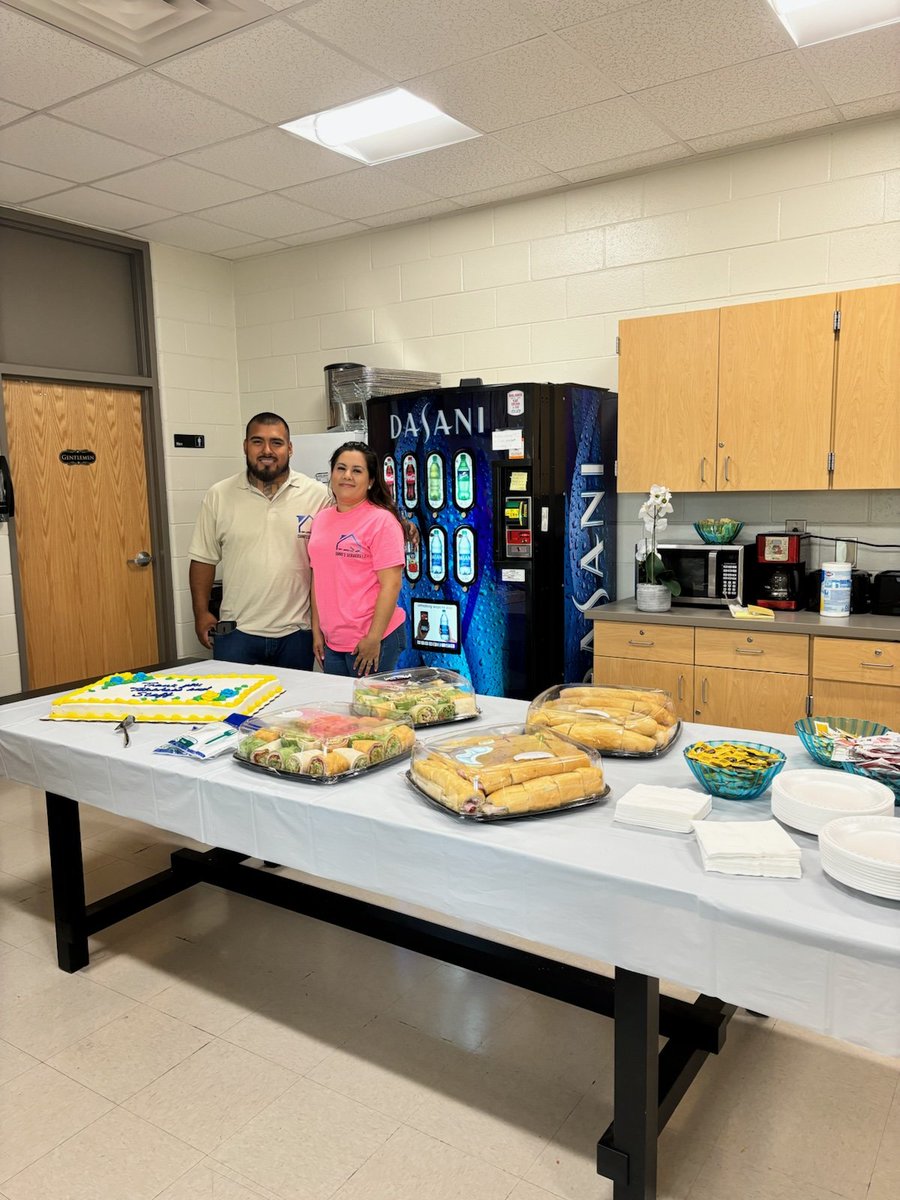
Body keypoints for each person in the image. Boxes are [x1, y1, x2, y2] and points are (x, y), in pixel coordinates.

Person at [188, 412, 331, 669]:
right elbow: (202, 559)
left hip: (297, 633)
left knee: (293, 709)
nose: (267, 450)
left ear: (290, 448)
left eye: (276, 442)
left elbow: (357, 519)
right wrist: (200, 613)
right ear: (245, 446)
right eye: (257, 441)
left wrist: (400, 521)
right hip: (236, 634)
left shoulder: (318, 496)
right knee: (235, 708)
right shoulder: (219, 495)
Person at [309, 441, 407, 677]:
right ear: (331, 474)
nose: (347, 476)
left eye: (357, 470)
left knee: (370, 712)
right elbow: (317, 578)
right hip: (333, 641)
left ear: (371, 481)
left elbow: (391, 584)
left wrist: (373, 638)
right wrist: (316, 631)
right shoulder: (321, 519)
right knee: (340, 712)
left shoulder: (381, 521)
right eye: (341, 468)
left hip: (373, 638)